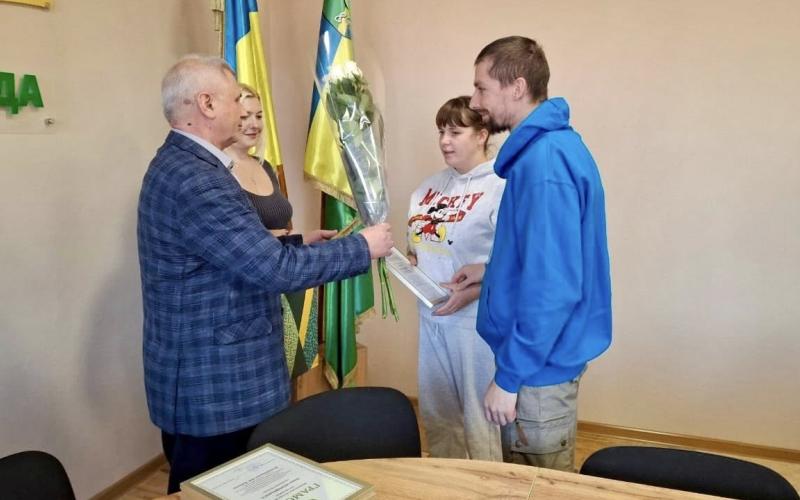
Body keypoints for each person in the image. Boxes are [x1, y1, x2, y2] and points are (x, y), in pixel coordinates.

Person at [137, 55, 393, 493]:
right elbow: (274, 270)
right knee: (212, 489)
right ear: (207, 104)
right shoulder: (197, 179)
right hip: (216, 386)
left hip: (218, 377)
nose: (243, 111)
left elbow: (230, 255)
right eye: (236, 99)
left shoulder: (191, 165)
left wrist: (298, 244)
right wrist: (362, 248)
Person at [450, 36, 612, 471]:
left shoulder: (545, 164)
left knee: (533, 487)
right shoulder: (545, 153)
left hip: (536, 371)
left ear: (517, 87)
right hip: (539, 361)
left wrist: (509, 378)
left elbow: (553, 288)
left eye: (482, 88)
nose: (474, 100)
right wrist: (491, 272)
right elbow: (543, 258)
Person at [406, 96, 505, 461]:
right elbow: (417, 245)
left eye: (455, 132)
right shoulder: (427, 189)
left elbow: (518, 260)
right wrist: (407, 260)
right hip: (431, 318)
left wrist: (476, 289)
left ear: (482, 134)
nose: (445, 141)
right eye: (441, 132)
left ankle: (487, 483)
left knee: (480, 421)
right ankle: (445, 482)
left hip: (475, 324)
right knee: (439, 418)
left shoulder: (502, 185)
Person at [224, 84, 335, 244]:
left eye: (259, 116)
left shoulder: (265, 166)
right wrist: (270, 235)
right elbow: (227, 237)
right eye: (245, 117)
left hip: (283, 257)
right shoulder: (216, 170)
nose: (254, 124)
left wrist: (304, 238)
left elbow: (284, 232)